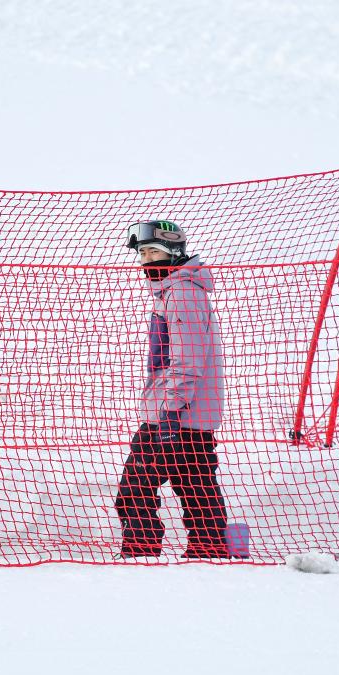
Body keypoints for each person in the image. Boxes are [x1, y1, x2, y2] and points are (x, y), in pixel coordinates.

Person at [115, 220, 228, 559]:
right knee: (196, 487)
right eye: (143, 253)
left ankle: (140, 553)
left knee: (135, 489)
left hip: (175, 416)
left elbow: (187, 359)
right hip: (191, 416)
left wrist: (170, 410)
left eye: (154, 252)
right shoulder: (179, 290)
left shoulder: (180, 294)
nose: (146, 261)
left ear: (174, 253)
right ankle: (213, 550)